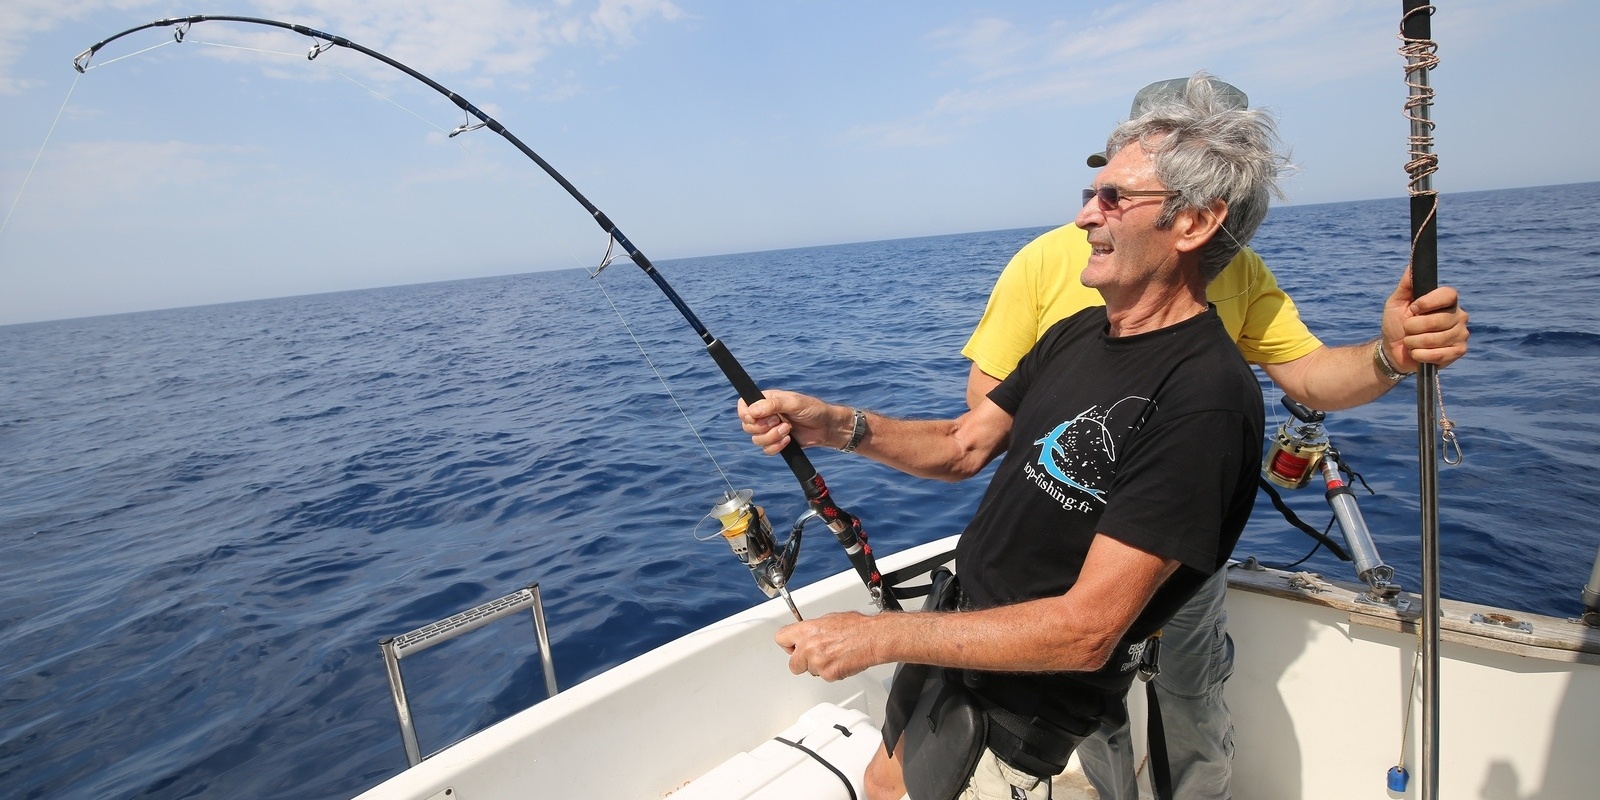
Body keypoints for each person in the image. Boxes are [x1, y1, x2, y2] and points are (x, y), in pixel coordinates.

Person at [738, 73, 1286, 800]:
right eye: (1091, 194)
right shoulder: (1079, 332)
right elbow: (965, 444)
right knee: (881, 783)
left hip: (1022, 704)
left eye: (1113, 198)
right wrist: (833, 423)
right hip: (954, 634)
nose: (1086, 215)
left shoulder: (1205, 402)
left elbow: (1087, 630)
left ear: (1193, 224)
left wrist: (875, 637)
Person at [961, 78, 1470, 800]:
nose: (1094, 211)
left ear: (1200, 204)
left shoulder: (1236, 269)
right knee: (1088, 713)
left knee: (1192, 698)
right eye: (1106, 176)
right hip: (1068, 555)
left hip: (1172, 551)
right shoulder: (1049, 260)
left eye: (1124, 183)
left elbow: (1310, 374)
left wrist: (1391, 355)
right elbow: (985, 405)